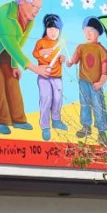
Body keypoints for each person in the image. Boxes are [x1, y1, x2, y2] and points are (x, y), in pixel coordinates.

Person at [0, 0, 48, 135]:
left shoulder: (29, 20)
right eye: (33, 5)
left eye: (39, 7)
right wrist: (35, 68)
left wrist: (14, 65)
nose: (36, 11)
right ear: (22, 2)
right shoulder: (4, 16)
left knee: (12, 80)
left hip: (8, 52)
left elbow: (18, 45)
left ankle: (18, 119)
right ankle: (1, 120)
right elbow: (10, 44)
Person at [67, 16, 107, 145]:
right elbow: (74, 60)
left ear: (98, 33)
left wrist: (100, 82)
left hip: (95, 83)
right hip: (83, 81)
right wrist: (69, 62)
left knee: (98, 106)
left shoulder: (101, 50)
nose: (88, 33)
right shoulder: (81, 47)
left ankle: (102, 132)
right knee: (84, 104)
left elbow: (105, 70)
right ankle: (86, 127)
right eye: (85, 30)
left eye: (91, 30)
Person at [33, 13, 67, 141]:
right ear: (46, 29)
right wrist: (42, 52)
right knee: (46, 100)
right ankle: (45, 126)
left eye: (56, 30)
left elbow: (60, 58)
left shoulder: (59, 43)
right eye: (51, 29)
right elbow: (35, 54)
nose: (53, 32)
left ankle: (56, 120)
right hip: (44, 77)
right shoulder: (41, 42)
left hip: (57, 77)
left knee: (57, 99)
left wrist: (62, 59)